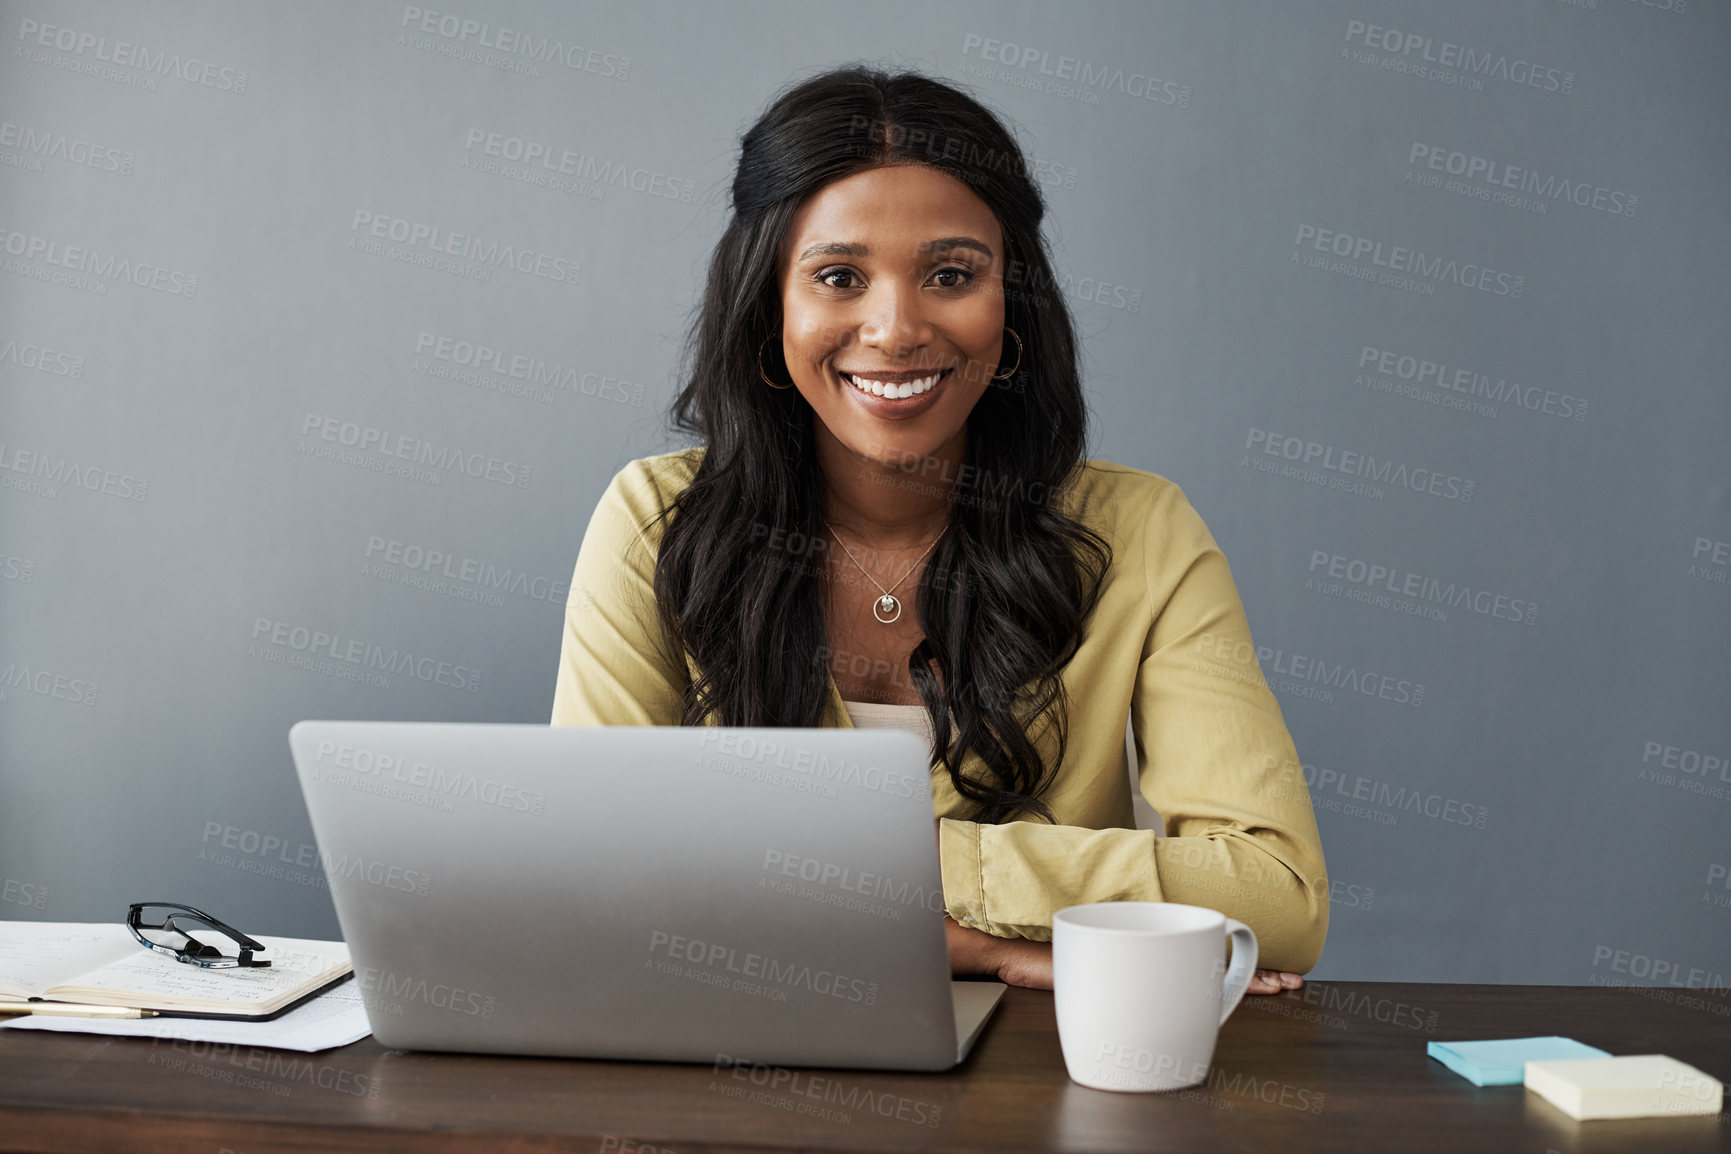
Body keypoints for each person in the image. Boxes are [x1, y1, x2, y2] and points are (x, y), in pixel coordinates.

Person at [552, 65, 1325, 995]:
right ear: (770, 304)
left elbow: (1277, 900)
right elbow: (593, 885)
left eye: (951, 275)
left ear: (1014, 304)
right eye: (838, 276)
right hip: (735, 1065)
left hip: (1045, 1090)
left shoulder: (1142, 531)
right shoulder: (655, 520)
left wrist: (893, 874)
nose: (896, 329)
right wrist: (991, 947)